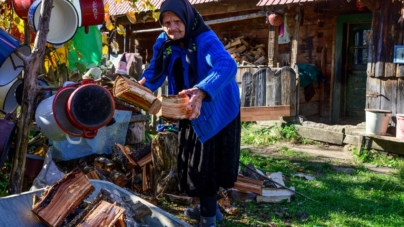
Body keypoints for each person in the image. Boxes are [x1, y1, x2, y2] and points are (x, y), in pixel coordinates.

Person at [139, 0, 240, 226]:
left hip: (216, 108)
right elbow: (154, 71)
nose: (172, 28)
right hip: (188, 107)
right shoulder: (164, 42)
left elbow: (227, 65)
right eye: (167, 23)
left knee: (205, 166)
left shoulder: (205, 39)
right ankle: (211, 210)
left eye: (177, 21)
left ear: (187, 19)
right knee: (193, 162)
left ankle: (207, 219)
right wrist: (138, 89)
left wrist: (203, 91)